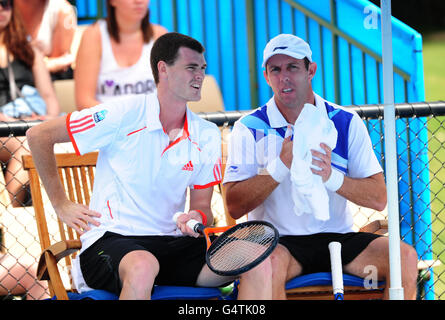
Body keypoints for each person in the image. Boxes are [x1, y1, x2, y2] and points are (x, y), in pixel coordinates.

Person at [26, 32, 271, 300]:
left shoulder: (207, 134)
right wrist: (61, 204)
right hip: (109, 243)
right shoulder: (122, 113)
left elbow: (202, 207)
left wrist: (197, 218)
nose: (200, 75)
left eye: (202, 68)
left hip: (172, 245)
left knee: (256, 257)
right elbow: (39, 135)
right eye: (191, 67)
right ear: (163, 69)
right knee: (143, 266)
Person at [223, 33, 419, 300]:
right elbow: (234, 205)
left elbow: (378, 197)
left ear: (311, 70)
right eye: (275, 70)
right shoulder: (249, 127)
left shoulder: (345, 121)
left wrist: (332, 177)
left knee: (404, 258)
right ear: (266, 76)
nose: (284, 77)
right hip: (279, 242)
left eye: (293, 67)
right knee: (265, 267)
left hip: (340, 238)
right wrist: (281, 166)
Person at [0, 0, 60, 207]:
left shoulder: (28, 50)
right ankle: (11, 215)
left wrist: (46, 119)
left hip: (32, 122)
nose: (1, 9)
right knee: (28, 144)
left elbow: (49, 98)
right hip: (3, 129)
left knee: (37, 138)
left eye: (6, 4)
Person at [74, 0, 167, 110]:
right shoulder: (94, 35)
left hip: (152, 122)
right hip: (107, 123)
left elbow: (172, 96)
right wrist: (124, 119)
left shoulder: (160, 35)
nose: (139, 1)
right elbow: (84, 102)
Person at [15, 0, 77, 80]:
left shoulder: (62, 10)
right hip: (11, 75)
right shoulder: (7, 6)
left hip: (49, 78)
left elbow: (57, 65)